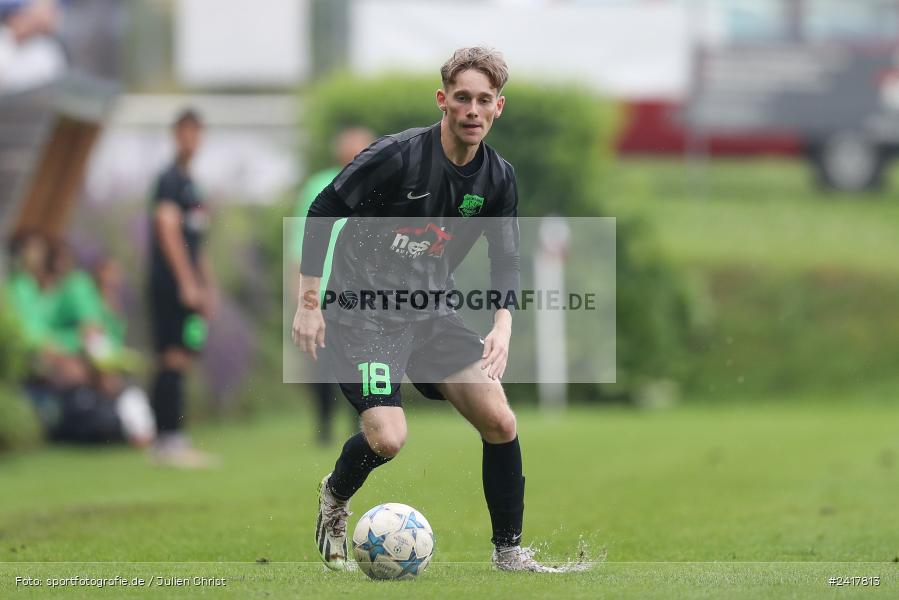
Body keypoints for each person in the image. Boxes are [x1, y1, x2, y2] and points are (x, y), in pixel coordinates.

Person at [292, 47, 558, 572]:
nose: (473, 110)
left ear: (498, 107)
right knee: (388, 439)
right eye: (463, 98)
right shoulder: (397, 156)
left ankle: (509, 553)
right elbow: (324, 209)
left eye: (485, 100)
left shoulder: (499, 179)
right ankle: (335, 496)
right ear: (443, 100)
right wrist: (308, 302)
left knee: (500, 420)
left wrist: (502, 321)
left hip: (430, 312)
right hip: (362, 314)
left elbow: (505, 257)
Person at [292, 126, 375, 446]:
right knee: (322, 366)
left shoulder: (377, 187)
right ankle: (323, 426)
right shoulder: (318, 186)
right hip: (324, 290)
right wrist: (299, 293)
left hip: (362, 292)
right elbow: (299, 241)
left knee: (362, 362)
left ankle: (362, 424)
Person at [147, 108, 218, 468]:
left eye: (198, 132)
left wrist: (208, 286)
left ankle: (169, 438)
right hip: (170, 283)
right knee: (172, 356)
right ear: (176, 135)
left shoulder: (193, 184)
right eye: (186, 132)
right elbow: (169, 231)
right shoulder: (169, 180)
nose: (192, 139)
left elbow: (197, 242)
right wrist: (187, 283)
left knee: (183, 355)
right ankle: (167, 440)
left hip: (188, 285)